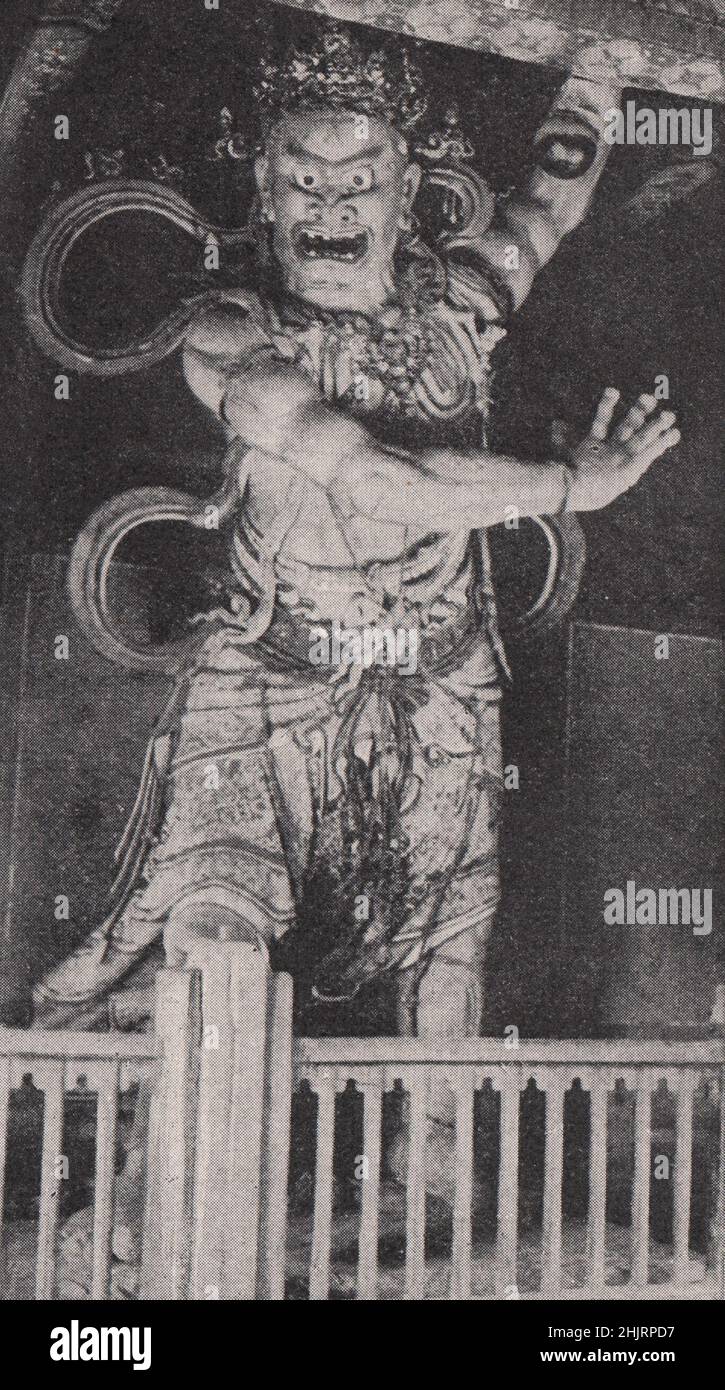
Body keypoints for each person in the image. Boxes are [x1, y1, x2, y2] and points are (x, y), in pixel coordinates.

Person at [34, 24, 679, 1213]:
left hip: (437, 681)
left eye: (357, 177)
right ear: (264, 194)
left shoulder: (462, 304)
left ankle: (423, 1188)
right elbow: (379, 479)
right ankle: (163, 1199)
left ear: (405, 192)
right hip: (271, 689)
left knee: (448, 949)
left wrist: (598, 68)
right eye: (301, 177)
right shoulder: (233, 335)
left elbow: (548, 196)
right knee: (215, 934)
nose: (328, 202)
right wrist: (565, 486)